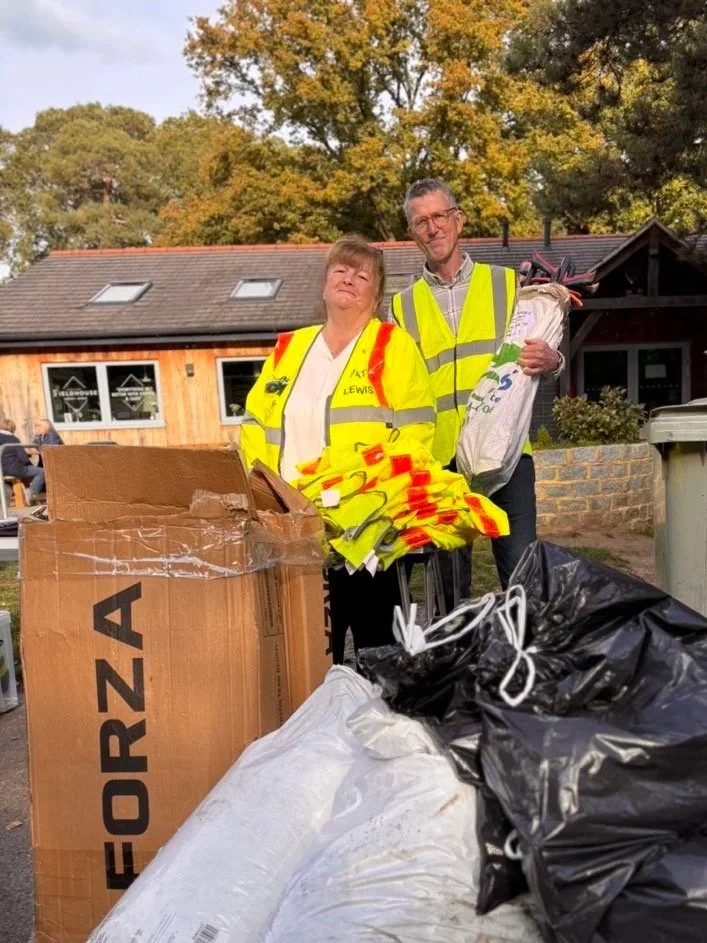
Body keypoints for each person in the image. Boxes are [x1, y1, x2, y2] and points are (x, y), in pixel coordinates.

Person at [242, 235, 436, 663]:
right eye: (340, 269)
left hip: (363, 532)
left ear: (376, 293)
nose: (349, 278)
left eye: (361, 274)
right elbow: (256, 424)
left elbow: (417, 432)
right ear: (325, 282)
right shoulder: (290, 348)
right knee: (308, 656)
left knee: (375, 657)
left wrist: (371, 504)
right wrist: (265, 494)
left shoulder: (393, 346)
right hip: (294, 528)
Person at [391, 178, 565, 592]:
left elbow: (544, 346)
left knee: (523, 582)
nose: (433, 228)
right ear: (412, 233)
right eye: (421, 222)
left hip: (506, 452)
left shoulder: (506, 284)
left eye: (439, 216)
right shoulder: (402, 305)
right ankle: (458, 656)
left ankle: (524, 656)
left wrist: (553, 360)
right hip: (441, 463)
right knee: (447, 591)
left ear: (459, 219)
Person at [0, 419, 44, 501]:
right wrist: (29, 458)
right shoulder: (13, 439)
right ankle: (32, 494)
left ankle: (26, 493)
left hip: (1, 470)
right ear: (12, 429)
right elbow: (23, 458)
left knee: (28, 470)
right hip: (14, 469)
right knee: (41, 471)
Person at [27, 419, 64, 497]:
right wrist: (35, 437)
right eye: (37, 427)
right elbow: (32, 446)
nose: (37, 428)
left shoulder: (51, 435)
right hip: (45, 461)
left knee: (40, 471)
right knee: (36, 469)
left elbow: (51, 449)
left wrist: (37, 448)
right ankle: (35, 493)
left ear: (46, 427)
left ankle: (34, 493)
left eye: (39, 426)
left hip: (56, 461)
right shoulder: (40, 436)